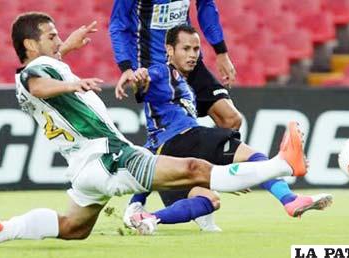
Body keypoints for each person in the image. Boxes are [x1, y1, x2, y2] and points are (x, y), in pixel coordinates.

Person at [0, 12, 308, 246]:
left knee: (74, 228)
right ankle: (282, 164)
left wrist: (67, 46)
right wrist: (72, 86)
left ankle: (1, 230)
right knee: (195, 169)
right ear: (30, 46)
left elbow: (39, 75)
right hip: (109, 155)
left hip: (84, 166)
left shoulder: (33, 69)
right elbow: (39, 83)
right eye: (51, 36)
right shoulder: (37, 72)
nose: (58, 40)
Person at [119, 24, 333, 234]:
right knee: (253, 156)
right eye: (186, 49)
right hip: (186, 138)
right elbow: (144, 80)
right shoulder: (163, 71)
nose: (193, 55)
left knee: (210, 200)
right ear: (169, 50)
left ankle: (149, 218)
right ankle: (288, 194)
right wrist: (139, 78)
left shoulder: (184, 86)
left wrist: (137, 201)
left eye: (196, 49)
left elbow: (149, 154)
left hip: (169, 156)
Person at [109, 0, 242, 230]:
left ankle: (203, 182)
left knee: (231, 119)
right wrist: (127, 67)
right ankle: (138, 202)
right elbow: (119, 24)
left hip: (189, 60)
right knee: (164, 134)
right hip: (155, 66)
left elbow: (206, 7)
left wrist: (221, 51)